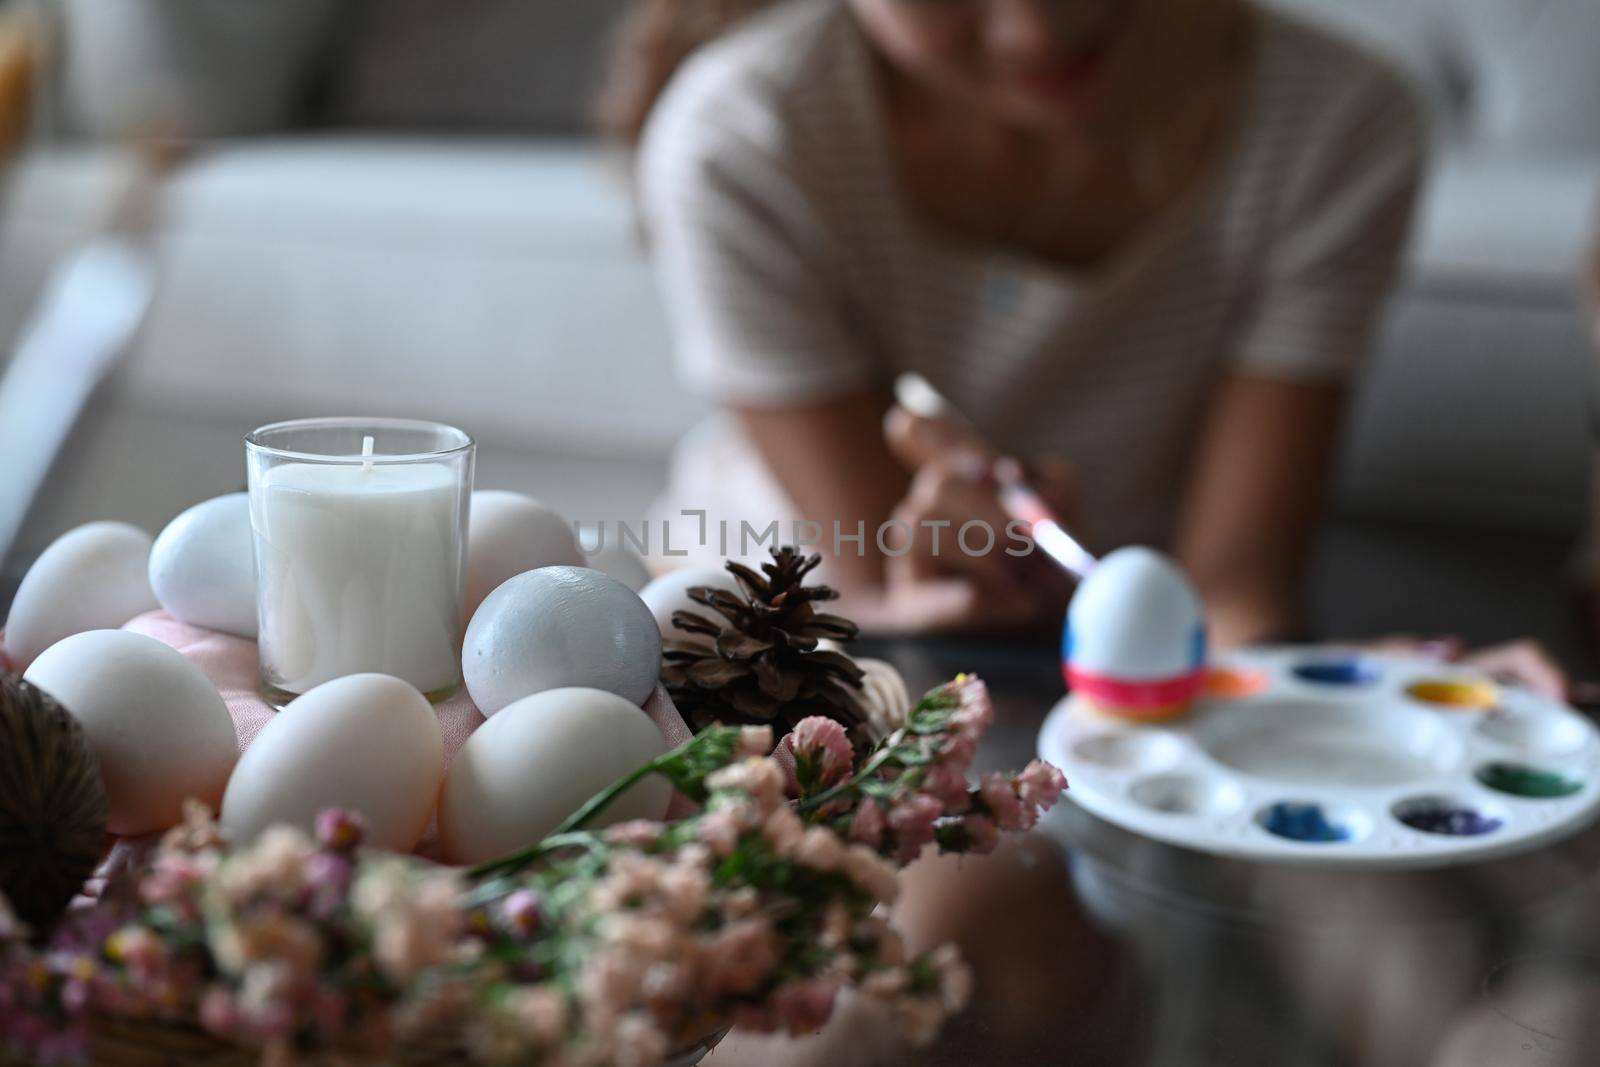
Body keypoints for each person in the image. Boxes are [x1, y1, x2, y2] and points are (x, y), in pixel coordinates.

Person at [607, 0, 1426, 648]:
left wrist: (1360, 701)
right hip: (792, 630)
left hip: (1121, 647)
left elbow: (1235, 593)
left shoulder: (1336, 123)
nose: (1034, 31)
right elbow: (872, 581)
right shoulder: (740, 138)